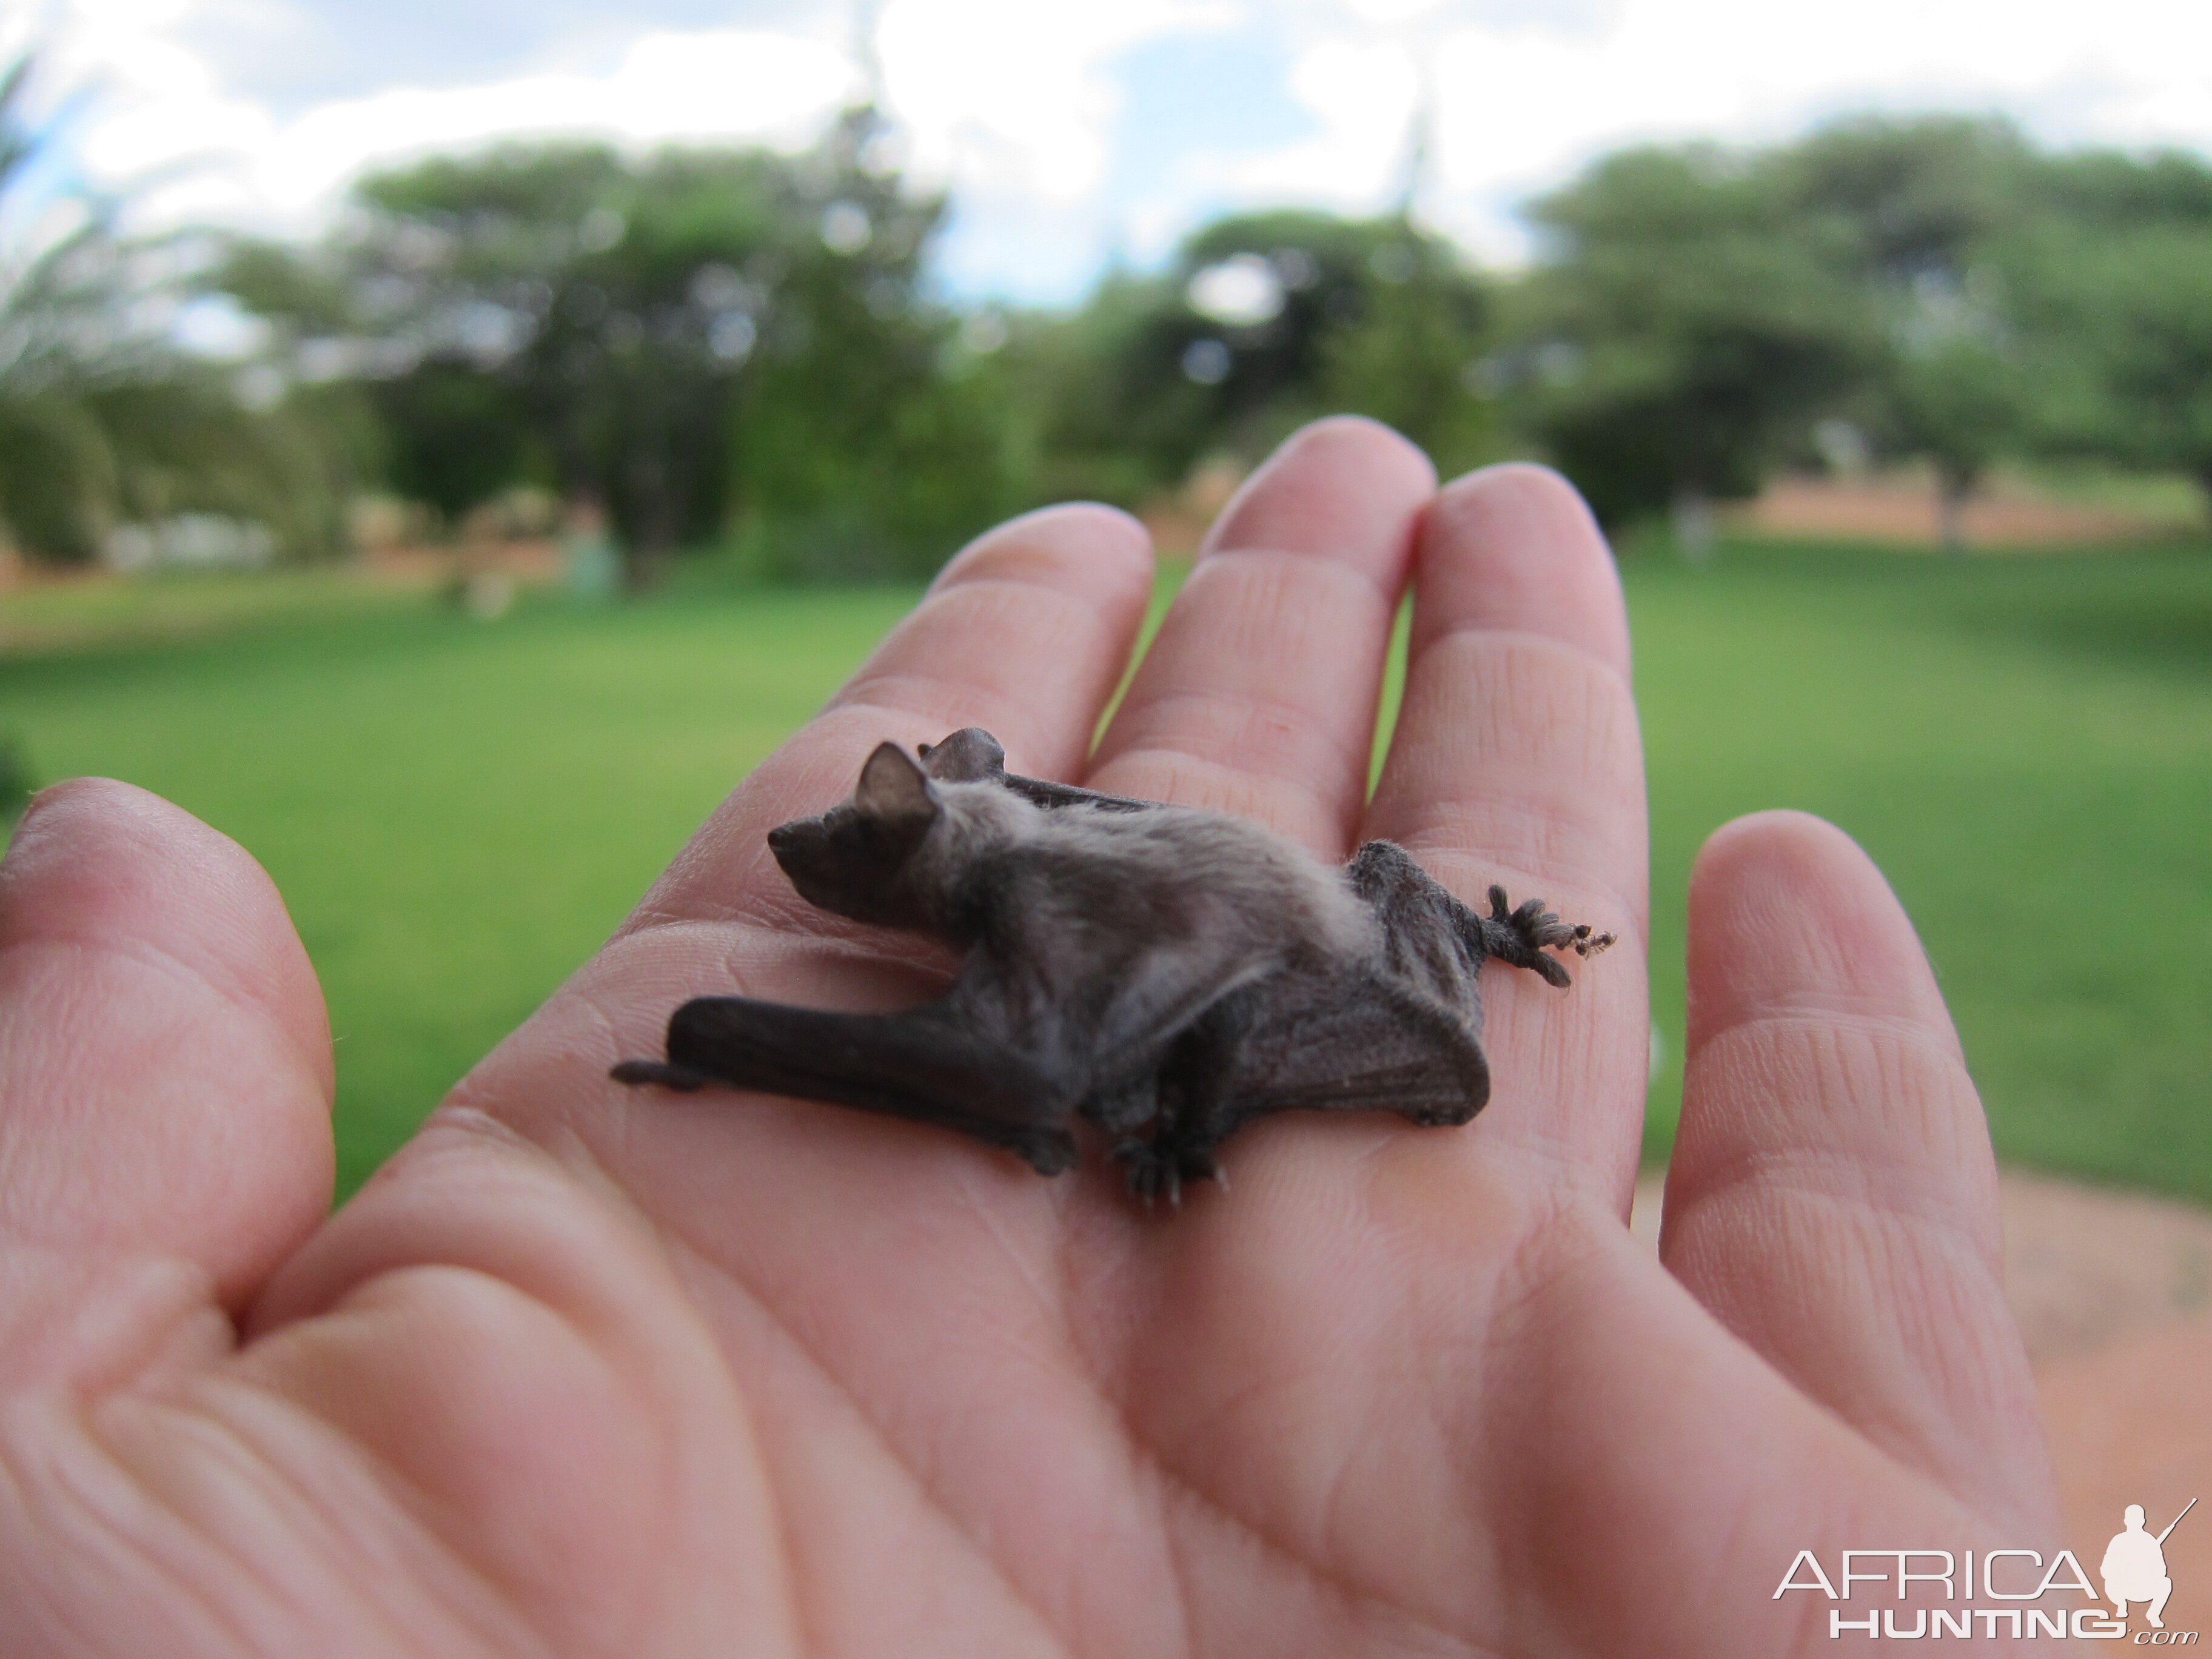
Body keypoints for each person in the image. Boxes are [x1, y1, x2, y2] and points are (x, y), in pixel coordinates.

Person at [0, 420, 2071, 1655]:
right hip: (1314, 904)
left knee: (1073, 1081)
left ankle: (1271, 1056)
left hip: (1266, 970)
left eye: (843, 857)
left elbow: (1029, 1070)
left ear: (923, 867)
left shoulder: (1006, 877)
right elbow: (1015, 822)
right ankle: (1454, 949)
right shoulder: (1019, 810)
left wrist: (739, 1038)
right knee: (1189, 1005)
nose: (815, 862)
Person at [2104, 1504, 2174, 1627]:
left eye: (2136, 1519)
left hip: (2144, 1588)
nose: (2134, 1523)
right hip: (2122, 1588)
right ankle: (2121, 1605)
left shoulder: (2150, 1540)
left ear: (2143, 1521)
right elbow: (2106, 1568)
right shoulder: (2118, 1540)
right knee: (2109, 1582)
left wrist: (2145, 1569)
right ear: (2125, 1521)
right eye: (2131, 1519)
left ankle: (2153, 1614)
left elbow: (2162, 1569)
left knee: (2166, 1583)